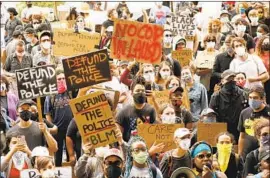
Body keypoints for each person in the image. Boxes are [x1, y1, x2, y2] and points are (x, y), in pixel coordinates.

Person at [44, 68, 74, 166]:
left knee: (71, 154)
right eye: (59, 79)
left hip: (71, 128)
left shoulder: (71, 92)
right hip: (58, 129)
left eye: (63, 78)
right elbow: (48, 114)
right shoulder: (50, 95)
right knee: (58, 154)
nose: (61, 81)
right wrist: (52, 128)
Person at [210, 69, 248, 142]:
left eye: (233, 79)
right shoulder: (216, 96)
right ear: (222, 81)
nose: (231, 81)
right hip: (222, 132)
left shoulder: (244, 95)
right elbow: (211, 117)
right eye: (228, 79)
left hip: (240, 131)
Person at [116, 76, 156, 142]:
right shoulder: (123, 112)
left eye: (143, 91)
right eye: (137, 91)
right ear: (131, 93)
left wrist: (154, 101)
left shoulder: (151, 110)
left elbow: (156, 129)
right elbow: (118, 134)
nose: (140, 93)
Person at [238, 85, 270, 160]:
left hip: (266, 154)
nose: (252, 100)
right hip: (248, 154)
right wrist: (240, 154)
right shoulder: (244, 113)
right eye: (250, 97)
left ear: (262, 98)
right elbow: (242, 136)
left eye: (255, 98)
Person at [256, 36, 270, 104]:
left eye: (268, 42)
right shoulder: (256, 55)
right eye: (264, 43)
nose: (266, 44)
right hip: (260, 80)